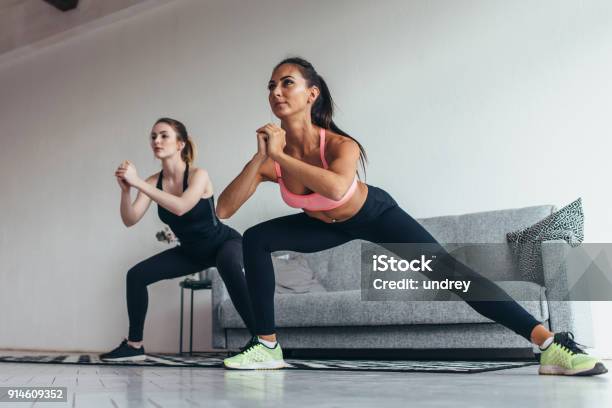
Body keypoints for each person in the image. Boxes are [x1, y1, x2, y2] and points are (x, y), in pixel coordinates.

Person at [216, 57, 607, 375]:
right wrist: (260, 157)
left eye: (287, 83)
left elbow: (336, 189)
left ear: (310, 94)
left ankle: (549, 344)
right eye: (270, 86)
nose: (276, 91)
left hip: (374, 215)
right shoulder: (273, 161)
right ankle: (266, 345)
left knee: (453, 275)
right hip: (328, 228)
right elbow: (224, 209)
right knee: (255, 237)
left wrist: (279, 156)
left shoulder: (339, 144)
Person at [100, 117, 255, 361]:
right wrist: (126, 190)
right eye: (153, 136)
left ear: (180, 144)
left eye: (163, 135)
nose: (156, 141)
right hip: (191, 252)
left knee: (227, 265)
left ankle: (261, 341)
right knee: (136, 275)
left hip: (224, 243)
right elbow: (130, 219)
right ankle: (134, 345)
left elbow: (182, 207)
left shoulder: (198, 175)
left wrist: (138, 182)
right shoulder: (154, 181)